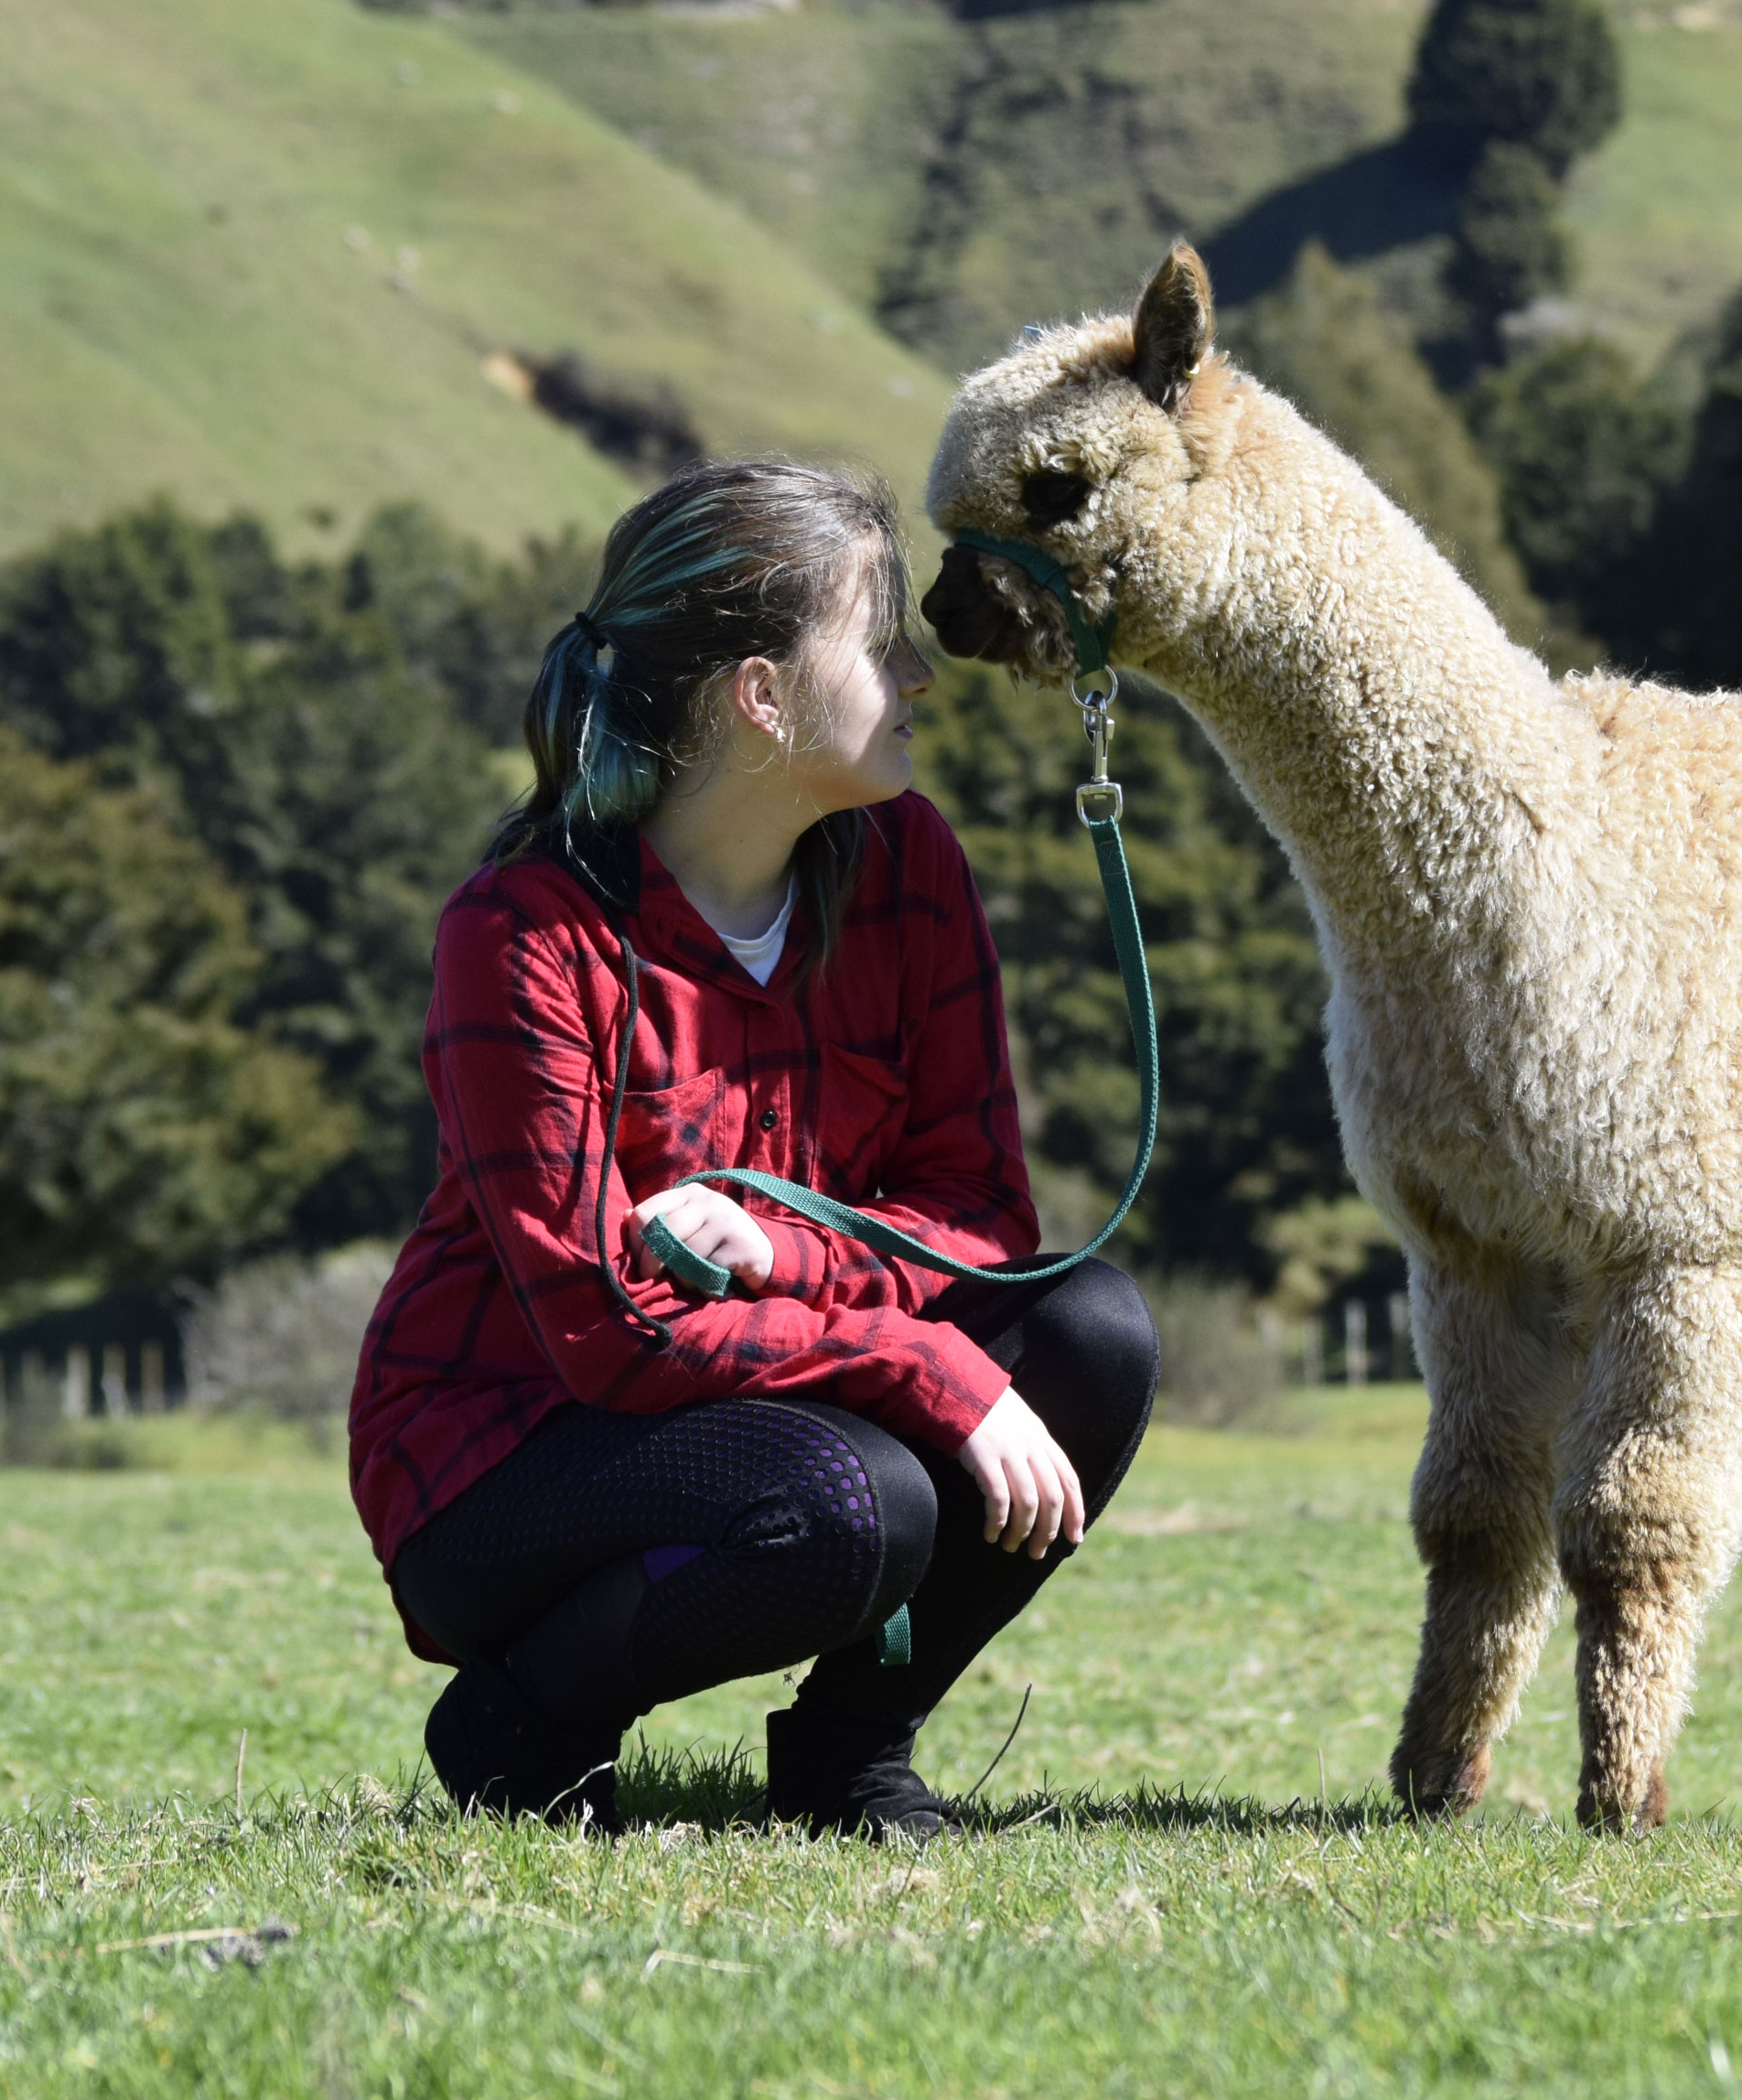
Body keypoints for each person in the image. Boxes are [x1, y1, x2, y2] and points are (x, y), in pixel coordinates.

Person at [348, 458, 1158, 1839]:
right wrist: (924, 1365)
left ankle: (848, 1763)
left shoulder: (913, 866)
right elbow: (603, 1329)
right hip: (502, 1451)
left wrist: (786, 1245)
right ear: (762, 696)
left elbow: (979, 1209)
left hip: (762, 1385)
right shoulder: (523, 934)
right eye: (880, 637)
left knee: (1089, 1333)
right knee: (860, 1504)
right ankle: (522, 1732)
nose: (923, 673)